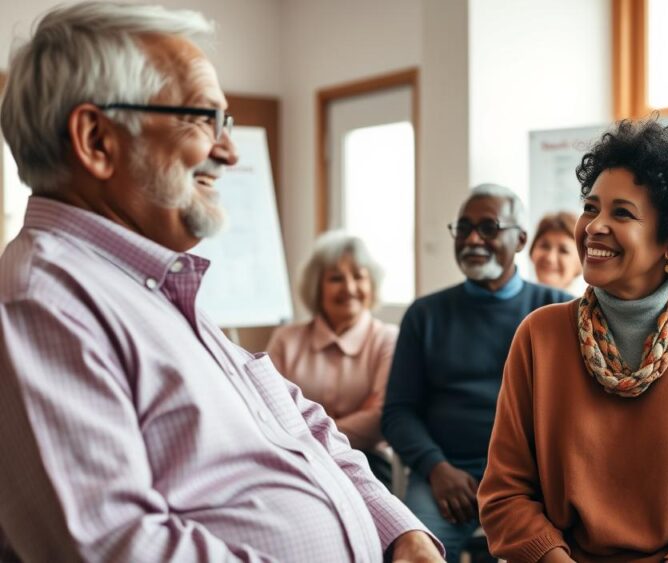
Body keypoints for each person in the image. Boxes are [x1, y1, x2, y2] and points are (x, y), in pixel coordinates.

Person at [0, 4, 442, 561]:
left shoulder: (153, 286)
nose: (229, 151)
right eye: (203, 118)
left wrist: (399, 531)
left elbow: (301, 424)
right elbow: (116, 547)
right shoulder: (39, 303)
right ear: (96, 139)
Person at [477, 119, 668, 562]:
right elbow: (505, 494)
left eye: (621, 213)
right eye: (591, 208)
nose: (594, 227)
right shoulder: (539, 335)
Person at [382, 184, 572, 562]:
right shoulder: (425, 315)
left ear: (520, 239)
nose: (472, 239)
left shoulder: (559, 312)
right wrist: (436, 468)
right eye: (463, 228)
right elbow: (397, 412)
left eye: (488, 228)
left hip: (534, 480)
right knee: (413, 552)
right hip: (446, 474)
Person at [267, 230, 397, 487]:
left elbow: (380, 418)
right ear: (317, 287)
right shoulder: (286, 339)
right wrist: (359, 413)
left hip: (365, 459)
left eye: (359, 277)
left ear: (372, 285)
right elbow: (268, 409)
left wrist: (303, 431)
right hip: (294, 457)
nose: (349, 289)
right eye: (336, 279)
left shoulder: (387, 339)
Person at [530, 211, 584, 294]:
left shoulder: (587, 306)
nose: (550, 258)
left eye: (563, 251)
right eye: (544, 246)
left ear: (581, 262)